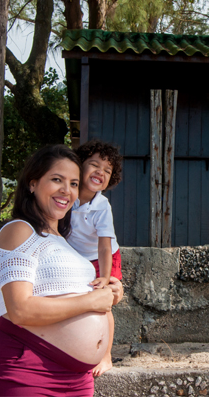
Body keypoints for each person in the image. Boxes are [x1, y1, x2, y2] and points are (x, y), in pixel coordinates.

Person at [0, 144, 124, 397]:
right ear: (33, 183)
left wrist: (110, 292)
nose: (67, 190)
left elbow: (73, 294)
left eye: (74, 183)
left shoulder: (64, 243)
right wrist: (92, 301)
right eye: (57, 179)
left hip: (77, 379)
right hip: (27, 369)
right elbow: (20, 309)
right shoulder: (20, 230)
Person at [67, 139, 123, 377]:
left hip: (104, 258)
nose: (101, 171)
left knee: (104, 304)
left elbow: (104, 245)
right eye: (94, 165)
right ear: (79, 166)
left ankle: (106, 355)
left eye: (107, 170)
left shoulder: (102, 206)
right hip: (75, 258)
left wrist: (104, 277)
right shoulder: (66, 197)